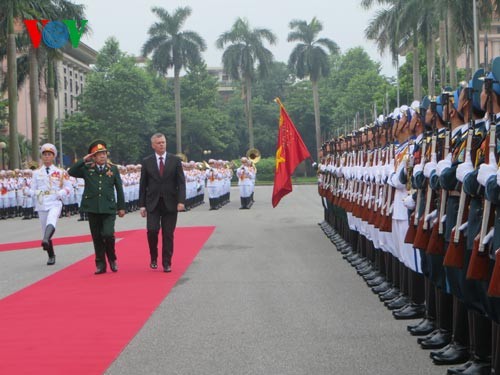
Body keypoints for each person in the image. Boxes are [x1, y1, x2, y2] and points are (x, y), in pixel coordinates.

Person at [68, 140, 126, 274]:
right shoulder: (88, 169)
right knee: (97, 237)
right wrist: (84, 159)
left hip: (109, 207)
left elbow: (119, 188)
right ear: (93, 156)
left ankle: (112, 258)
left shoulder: (113, 169)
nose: (102, 156)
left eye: (104, 153)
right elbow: (72, 171)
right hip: (92, 207)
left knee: (108, 234)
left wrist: (121, 207)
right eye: (98, 154)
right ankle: (100, 264)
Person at [139, 133, 186, 272]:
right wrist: (142, 205)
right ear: (153, 145)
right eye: (158, 143)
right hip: (152, 203)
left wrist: (181, 201)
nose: (162, 145)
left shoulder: (175, 160)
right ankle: (153, 256)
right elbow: (143, 184)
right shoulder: (147, 161)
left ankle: (167, 262)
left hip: (170, 202)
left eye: (163, 142)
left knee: (168, 234)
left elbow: (181, 183)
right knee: (152, 231)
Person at [27, 143, 72, 265]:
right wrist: (31, 193)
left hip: (54, 200)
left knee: (51, 220)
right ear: (41, 157)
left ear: (53, 157)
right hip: (42, 201)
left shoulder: (60, 172)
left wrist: (61, 193)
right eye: (44, 155)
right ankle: (51, 254)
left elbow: (69, 187)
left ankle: (46, 239)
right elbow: (31, 189)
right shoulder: (36, 173)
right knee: (44, 228)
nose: (46, 157)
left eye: (49, 155)